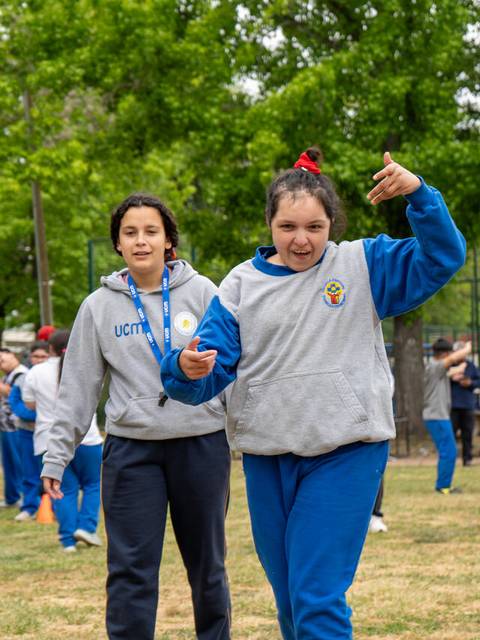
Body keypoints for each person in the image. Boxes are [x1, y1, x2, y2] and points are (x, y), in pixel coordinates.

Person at [161, 147, 466, 639]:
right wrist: (185, 367)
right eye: (287, 228)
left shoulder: (363, 265)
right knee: (290, 602)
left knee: (316, 597)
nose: (301, 240)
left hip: (346, 452)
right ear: (269, 224)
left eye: (315, 228)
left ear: (332, 224)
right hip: (266, 456)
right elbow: (205, 370)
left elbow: (443, 255)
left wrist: (418, 194)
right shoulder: (241, 284)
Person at [41, 194, 231, 639]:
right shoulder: (98, 307)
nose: (141, 241)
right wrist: (57, 457)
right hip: (131, 452)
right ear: (118, 244)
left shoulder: (204, 292)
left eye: (151, 232)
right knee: (129, 571)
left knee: (208, 567)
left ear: (169, 241)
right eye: (130, 233)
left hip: (200, 444)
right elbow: (78, 387)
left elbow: (233, 369)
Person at [23, 330, 103, 550]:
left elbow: (29, 403)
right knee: (92, 485)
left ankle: (67, 540)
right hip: (88, 438)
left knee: (62, 489)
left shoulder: (36, 371)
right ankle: (86, 528)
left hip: (48, 439)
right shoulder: (86, 368)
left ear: (50, 348)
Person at [424, 338, 472, 493]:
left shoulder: (435, 368)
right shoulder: (436, 366)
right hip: (436, 416)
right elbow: (453, 360)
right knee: (449, 451)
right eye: (449, 353)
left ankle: (443, 485)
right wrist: (467, 348)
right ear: (444, 354)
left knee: (448, 450)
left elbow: (452, 371)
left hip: (437, 416)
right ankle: (443, 486)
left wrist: (461, 368)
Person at [8, 341, 49, 521]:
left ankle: (52, 506)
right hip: (27, 431)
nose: (39, 360)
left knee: (49, 470)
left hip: (48, 431)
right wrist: (32, 416)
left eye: (43, 356)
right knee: (29, 471)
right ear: (30, 358)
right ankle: (30, 506)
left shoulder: (55, 374)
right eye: (36, 356)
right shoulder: (24, 377)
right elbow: (15, 402)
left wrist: (42, 416)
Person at [0, 348, 26, 509]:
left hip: (17, 427)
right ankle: (11, 498)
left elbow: (20, 394)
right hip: (5, 427)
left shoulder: (22, 374)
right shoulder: (7, 376)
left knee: (18, 463)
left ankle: (22, 496)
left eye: (2, 358)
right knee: (8, 464)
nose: (1, 362)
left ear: (13, 355)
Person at [450, 340, 479, 466]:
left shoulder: (471, 366)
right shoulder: (449, 366)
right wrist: (451, 378)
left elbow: (478, 381)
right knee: (451, 433)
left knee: (467, 433)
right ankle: (451, 458)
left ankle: (467, 458)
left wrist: (470, 383)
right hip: (452, 405)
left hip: (468, 405)